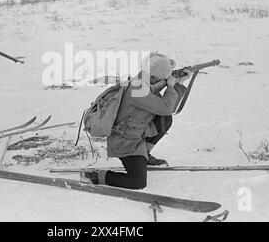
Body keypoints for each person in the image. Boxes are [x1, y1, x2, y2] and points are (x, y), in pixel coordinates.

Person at [81, 54, 191, 189]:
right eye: (163, 78)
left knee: (165, 119)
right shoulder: (138, 89)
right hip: (125, 142)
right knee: (138, 182)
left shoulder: (143, 81)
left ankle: (145, 154)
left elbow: (168, 108)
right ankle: (96, 176)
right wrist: (171, 87)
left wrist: (178, 84)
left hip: (136, 135)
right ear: (154, 77)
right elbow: (165, 107)